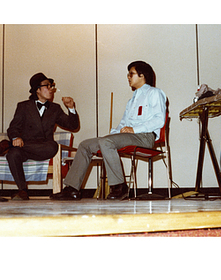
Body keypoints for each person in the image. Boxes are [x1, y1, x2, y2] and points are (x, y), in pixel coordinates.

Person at [51, 60, 167, 201]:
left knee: (106, 143)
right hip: (130, 136)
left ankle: (119, 186)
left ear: (142, 75)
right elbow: (123, 124)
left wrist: (134, 129)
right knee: (85, 145)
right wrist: (112, 135)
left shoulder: (155, 93)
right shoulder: (131, 101)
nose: (128, 77)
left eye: (131, 74)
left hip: (145, 136)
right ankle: (72, 189)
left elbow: (159, 120)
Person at [0, 72, 79, 200]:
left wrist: (71, 108)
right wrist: (15, 138)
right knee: (12, 154)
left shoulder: (55, 108)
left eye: (51, 86)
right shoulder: (23, 106)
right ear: (37, 90)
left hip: (44, 147)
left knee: (53, 147)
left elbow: (72, 126)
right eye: (47, 86)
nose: (51, 89)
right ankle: (22, 191)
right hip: (24, 147)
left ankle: (8, 145)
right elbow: (13, 127)